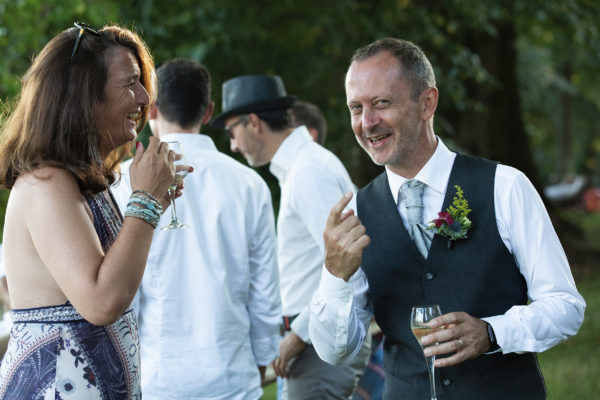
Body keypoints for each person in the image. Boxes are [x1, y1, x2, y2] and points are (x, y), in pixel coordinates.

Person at [308, 37, 586, 399]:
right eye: (355, 108)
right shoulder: (356, 214)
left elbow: (566, 307)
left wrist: (491, 332)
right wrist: (334, 275)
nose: (367, 122)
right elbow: (334, 351)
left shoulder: (505, 187)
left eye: (382, 103)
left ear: (427, 103)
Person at [0, 23, 179, 398]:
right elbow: (101, 301)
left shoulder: (79, 180)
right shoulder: (46, 182)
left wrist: (152, 201)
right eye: (130, 83)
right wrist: (143, 202)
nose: (145, 97)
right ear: (84, 96)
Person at [111, 59, 281, 400]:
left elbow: (123, 294)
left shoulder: (121, 182)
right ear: (208, 111)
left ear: (152, 108)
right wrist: (262, 361)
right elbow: (265, 292)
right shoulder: (249, 185)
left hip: (158, 377)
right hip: (232, 376)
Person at [211, 74, 371, 400]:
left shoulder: (309, 171)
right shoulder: (300, 167)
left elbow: (353, 266)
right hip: (313, 340)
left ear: (253, 122)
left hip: (321, 344)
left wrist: (297, 336)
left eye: (232, 132)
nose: (233, 145)